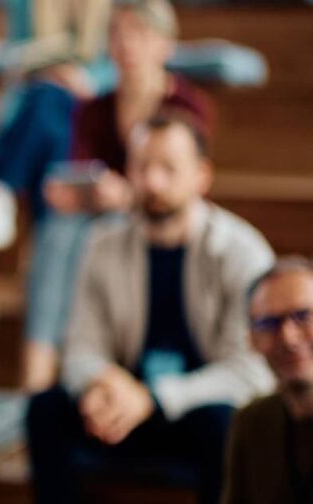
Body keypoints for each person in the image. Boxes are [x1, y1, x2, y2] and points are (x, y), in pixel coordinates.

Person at [26, 114, 275, 504]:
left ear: (201, 175)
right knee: (45, 410)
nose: (153, 182)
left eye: (169, 168)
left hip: (193, 410)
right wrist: (100, 384)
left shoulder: (241, 251)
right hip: (121, 410)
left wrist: (153, 397)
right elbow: (80, 345)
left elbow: (250, 369)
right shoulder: (101, 242)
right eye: (142, 167)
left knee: (224, 422)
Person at [22, 0, 216, 389]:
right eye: (118, 33)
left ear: (166, 44)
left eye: (139, 33)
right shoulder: (94, 107)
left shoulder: (187, 105)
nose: (127, 44)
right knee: (60, 229)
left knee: (96, 233)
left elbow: (184, 181)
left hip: (156, 213)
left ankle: (85, 369)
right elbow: (84, 170)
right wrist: (70, 190)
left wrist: (127, 194)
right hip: (101, 214)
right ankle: (37, 375)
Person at [223, 258, 313, 504]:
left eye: (303, 316)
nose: (288, 338)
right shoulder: (250, 423)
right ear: (251, 340)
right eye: (268, 324)